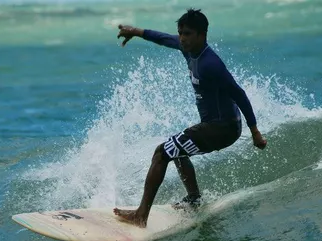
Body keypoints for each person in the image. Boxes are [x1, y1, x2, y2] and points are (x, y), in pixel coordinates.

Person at [114, 8, 267, 228]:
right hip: (213, 125)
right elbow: (164, 38)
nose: (182, 38)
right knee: (177, 148)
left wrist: (255, 133)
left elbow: (239, 94)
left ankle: (141, 216)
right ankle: (194, 199)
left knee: (162, 152)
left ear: (202, 35)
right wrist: (135, 31)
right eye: (181, 33)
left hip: (223, 128)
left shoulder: (210, 64)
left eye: (187, 34)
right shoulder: (188, 50)